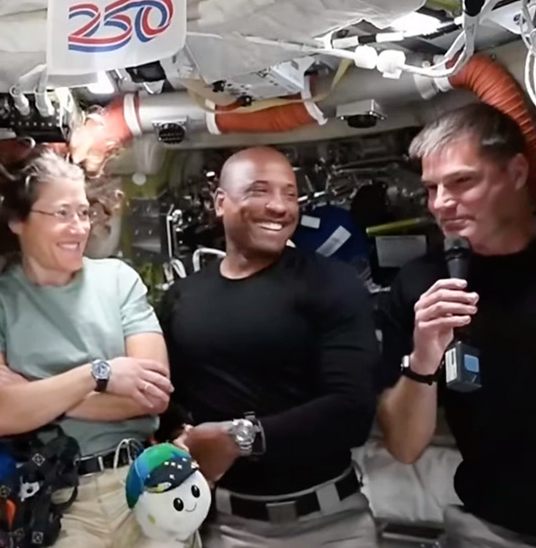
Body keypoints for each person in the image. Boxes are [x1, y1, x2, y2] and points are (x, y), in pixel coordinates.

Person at [376, 102, 536, 547]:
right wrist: (424, 356)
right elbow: (403, 446)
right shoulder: (420, 285)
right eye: (432, 189)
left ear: (516, 173)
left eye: (462, 182)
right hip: (490, 529)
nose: (442, 204)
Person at [159, 146, 380, 548]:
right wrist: (177, 435)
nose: (279, 206)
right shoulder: (182, 299)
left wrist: (241, 438)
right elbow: (169, 405)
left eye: (291, 194)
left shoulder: (334, 284)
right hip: (225, 527)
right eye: (260, 190)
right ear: (221, 203)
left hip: (332, 526)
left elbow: (353, 411)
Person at [0, 150, 175, 548]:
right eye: (61, 214)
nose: (79, 228)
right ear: (18, 221)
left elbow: (153, 394)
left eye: (83, 212)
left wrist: (31, 388)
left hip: (145, 482)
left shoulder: (117, 280)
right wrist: (99, 374)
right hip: (62, 499)